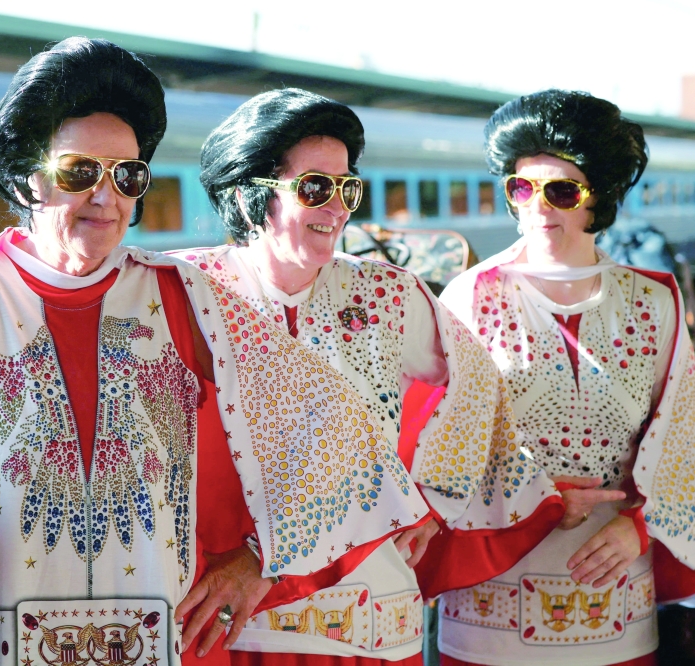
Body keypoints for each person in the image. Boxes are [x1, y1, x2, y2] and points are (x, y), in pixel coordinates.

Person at [0, 40, 429, 665]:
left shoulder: (187, 297)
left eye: (129, 175)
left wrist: (259, 560)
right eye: (80, 172)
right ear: (27, 178)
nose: (107, 196)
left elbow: (341, 433)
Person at [171, 88, 564, 666]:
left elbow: (476, 382)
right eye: (315, 188)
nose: (338, 208)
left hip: (370, 617)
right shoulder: (184, 288)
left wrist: (431, 497)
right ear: (248, 194)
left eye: (347, 188)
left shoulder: (387, 294)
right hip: (234, 624)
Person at [438, 89, 695, 666]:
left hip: (616, 605)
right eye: (521, 188)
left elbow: (686, 447)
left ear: (600, 195)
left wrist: (641, 528)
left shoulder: (655, 302)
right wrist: (532, 498)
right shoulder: (466, 298)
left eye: (561, 190)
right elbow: (440, 453)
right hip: (488, 613)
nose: (538, 207)